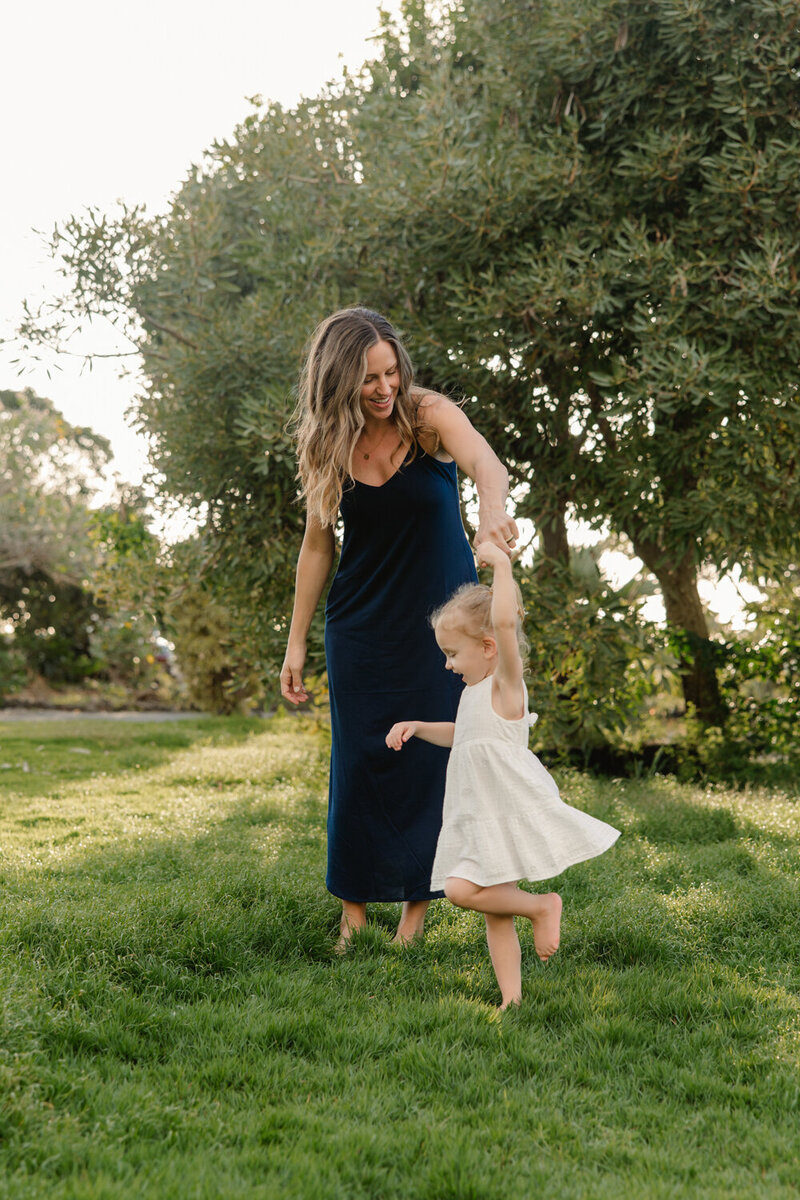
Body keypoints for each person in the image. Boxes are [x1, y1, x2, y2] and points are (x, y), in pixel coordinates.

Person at [280, 307, 520, 951]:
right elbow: (316, 547)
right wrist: (297, 639)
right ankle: (353, 911)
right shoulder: (327, 444)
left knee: (428, 757)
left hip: (440, 626)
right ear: (337, 384)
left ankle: (416, 909)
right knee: (358, 759)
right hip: (360, 621)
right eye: (367, 380)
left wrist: (491, 511)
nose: (384, 388)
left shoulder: (427, 415)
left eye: (390, 372)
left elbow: (487, 466)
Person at [385, 542, 620, 1008]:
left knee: (458, 889)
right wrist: (418, 726)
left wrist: (504, 566)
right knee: (495, 912)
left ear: (488, 648)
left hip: (504, 810)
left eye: (453, 653)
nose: (448, 664)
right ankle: (511, 999)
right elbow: (464, 737)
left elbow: (507, 622)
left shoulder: (506, 684)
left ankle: (542, 906)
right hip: (478, 814)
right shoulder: (472, 694)